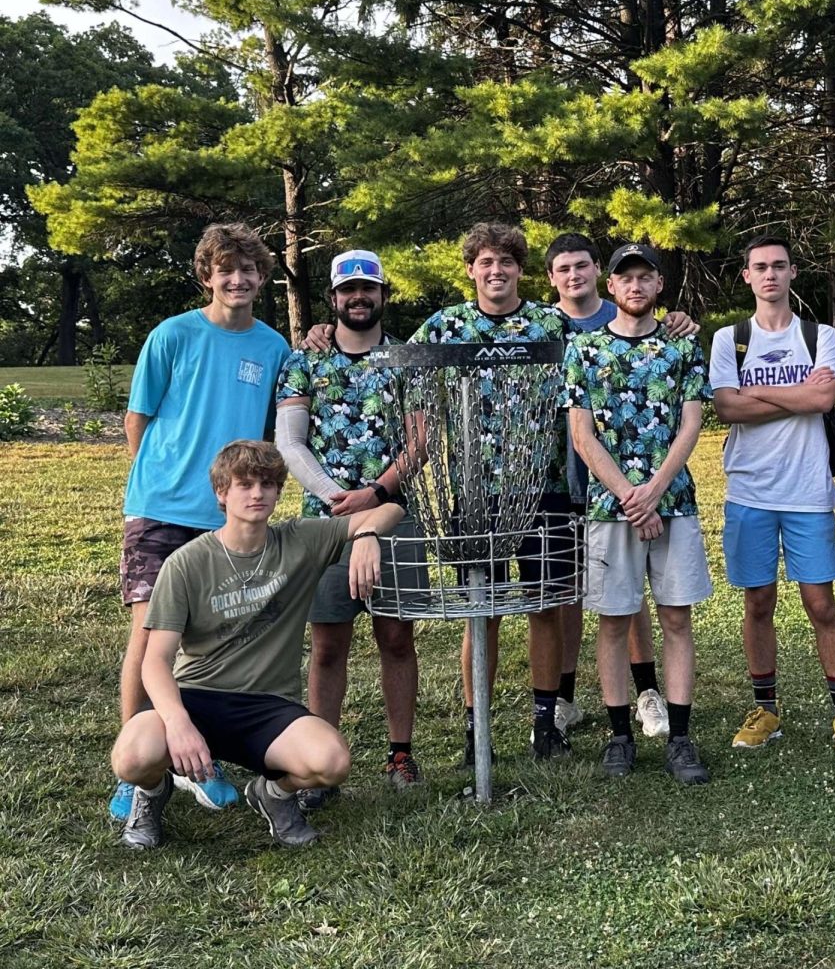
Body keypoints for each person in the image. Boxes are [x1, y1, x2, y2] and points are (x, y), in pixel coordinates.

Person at [110, 440, 404, 850]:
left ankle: (274, 795)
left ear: (279, 491)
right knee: (132, 756)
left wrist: (368, 532)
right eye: (244, 484)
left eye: (267, 483)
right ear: (221, 492)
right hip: (197, 697)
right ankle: (151, 793)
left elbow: (393, 509)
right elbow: (156, 661)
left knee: (331, 762)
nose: (257, 494)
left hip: (267, 705)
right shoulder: (188, 562)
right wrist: (177, 724)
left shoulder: (300, 540)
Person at [110, 223, 290, 821]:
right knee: (149, 638)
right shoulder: (172, 335)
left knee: (213, 642)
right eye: (225, 270)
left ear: (261, 279)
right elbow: (139, 420)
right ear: (206, 275)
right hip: (162, 510)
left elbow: (273, 424)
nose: (236, 280)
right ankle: (138, 771)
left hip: (229, 518)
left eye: (248, 271)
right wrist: (163, 483)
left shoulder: (272, 348)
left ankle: (200, 755)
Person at [410, 222, 574, 763]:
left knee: (543, 605)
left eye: (506, 261)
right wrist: (320, 335)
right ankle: (475, 727)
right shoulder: (445, 327)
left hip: (541, 489)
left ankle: (545, 723)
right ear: (471, 269)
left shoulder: (552, 324)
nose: (496, 271)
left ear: (520, 270)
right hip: (475, 493)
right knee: (481, 611)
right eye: (486, 262)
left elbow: (607, 350)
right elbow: (386, 361)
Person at [276, 249, 427, 810]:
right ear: (334, 299)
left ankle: (401, 753)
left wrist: (377, 493)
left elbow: (422, 441)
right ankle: (319, 763)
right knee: (327, 645)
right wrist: (334, 498)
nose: (358, 298)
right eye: (347, 290)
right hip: (323, 525)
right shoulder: (304, 361)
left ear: (383, 295)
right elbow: (290, 440)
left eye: (368, 288)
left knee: (396, 637)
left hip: (394, 515)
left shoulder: (406, 359)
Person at [710, 235, 835, 759]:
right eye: (761, 267)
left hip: (808, 491)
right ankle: (765, 708)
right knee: (758, 601)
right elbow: (726, 410)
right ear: (747, 276)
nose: (771, 275)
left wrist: (756, 394)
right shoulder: (729, 339)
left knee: (821, 603)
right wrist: (793, 397)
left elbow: (824, 397)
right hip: (750, 492)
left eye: (779, 266)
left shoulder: (818, 334)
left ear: (793, 273)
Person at [564, 242, 713, 785]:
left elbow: (691, 424)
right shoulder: (584, 350)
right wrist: (631, 495)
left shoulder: (681, 348)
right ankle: (620, 736)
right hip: (611, 510)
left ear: (657, 286)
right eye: (624, 278)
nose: (634, 286)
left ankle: (679, 736)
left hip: (672, 503)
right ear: (611, 287)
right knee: (613, 620)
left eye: (644, 277)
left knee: (676, 618)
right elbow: (583, 434)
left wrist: (654, 491)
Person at [545, 232, 672, 740]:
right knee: (566, 594)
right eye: (563, 268)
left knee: (629, 592)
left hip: (621, 481)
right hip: (555, 477)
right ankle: (565, 698)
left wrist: (679, 319)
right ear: (552, 277)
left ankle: (647, 693)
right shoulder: (539, 323)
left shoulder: (623, 315)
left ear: (601, 270)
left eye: (582, 265)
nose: (574, 275)